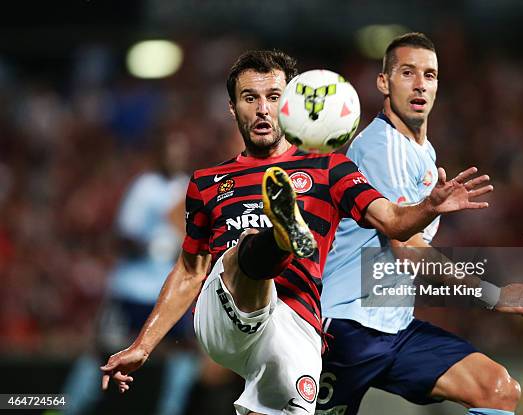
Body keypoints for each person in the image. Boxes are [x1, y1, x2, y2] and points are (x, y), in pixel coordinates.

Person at [99, 49, 492, 415]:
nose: (262, 109)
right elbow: (189, 272)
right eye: (250, 98)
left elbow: (391, 221)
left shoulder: (330, 170)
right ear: (232, 107)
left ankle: (281, 235)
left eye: (273, 96)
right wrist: (142, 346)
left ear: (289, 104)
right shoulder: (207, 182)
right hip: (225, 312)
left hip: (296, 327)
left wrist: (429, 206)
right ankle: (280, 236)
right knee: (244, 256)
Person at [317, 32, 523, 415]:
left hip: (395, 327)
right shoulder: (381, 148)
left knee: (498, 389)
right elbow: (407, 250)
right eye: (407, 72)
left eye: (430, 74)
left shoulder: (422, 151)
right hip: (347, 329)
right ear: (383, 82)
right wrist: (492, 294)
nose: (421, 83)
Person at [63, 133, 199, 415]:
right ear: (160, 153)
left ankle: (170, 410)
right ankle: (68, 408)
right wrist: (152, 245)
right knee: (100, 351)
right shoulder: (145, 187)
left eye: (181, 152)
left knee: (185, 351)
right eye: (172, 151)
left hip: (167, 291)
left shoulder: (188, 187)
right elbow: (123, 237)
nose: (176, 157)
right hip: (132, 289)